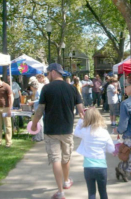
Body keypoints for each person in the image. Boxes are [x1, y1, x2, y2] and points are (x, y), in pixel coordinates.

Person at [31, 63, 84, 199]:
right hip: (67, 129)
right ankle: (66, 181)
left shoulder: (47, 89)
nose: (48, 75)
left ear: (54, 72)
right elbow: (81, 111)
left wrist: (34, 124)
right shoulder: (72, 88)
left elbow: (40, 110)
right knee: (66, 159)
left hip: (51, 130)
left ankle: (60, 192)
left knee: (55, 159)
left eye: (48, 72)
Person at [74, 108, 115, 199]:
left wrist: (81, 120)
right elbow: (111, 149)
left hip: (88, 166)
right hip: (101, 166)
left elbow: (76, 132)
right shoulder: (104, 132)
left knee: (91, 193)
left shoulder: (85, 131)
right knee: (103, 192)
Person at [0, 73, 13, 148]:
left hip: (5, 108)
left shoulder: (6, 86)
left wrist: (10, 109)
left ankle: (8, 142)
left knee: (7, 125)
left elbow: (11, 97)